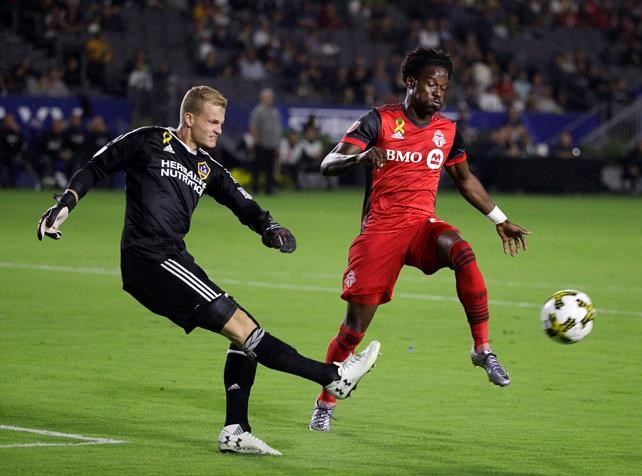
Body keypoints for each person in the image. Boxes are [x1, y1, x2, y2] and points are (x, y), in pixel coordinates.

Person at [37, 85, 380, 455]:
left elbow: (241, 201)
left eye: (221, 123)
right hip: (149, 257)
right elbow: (97, 165)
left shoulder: (206, 167)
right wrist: (66, 203)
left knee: (245, 336)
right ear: (189, 118)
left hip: (172, 258)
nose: (219, 129)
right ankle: (333, 377)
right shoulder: (150, 141)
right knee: (246, 329)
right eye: (213, 122)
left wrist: (269, 227)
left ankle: (236, 430)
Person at [308, 48, 530, 432]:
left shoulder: (448, 131)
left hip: (422, 226)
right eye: (431, 84)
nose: (438, 92)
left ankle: (482, 348)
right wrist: (360, 158)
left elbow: (464, 180)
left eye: (444, 87)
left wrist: (500, 219)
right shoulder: (379, 120)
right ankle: (325, 402)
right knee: (353, 330)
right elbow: (328, 163)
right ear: (411, 82)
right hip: (380, 232)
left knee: (462, 251)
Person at [249, 88, 282, 194]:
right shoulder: (258, 111)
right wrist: (257, 141)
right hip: (261, 143)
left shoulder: (275, 111)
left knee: (270, 168)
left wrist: (277, 144)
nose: (270, 99)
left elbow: (277, 128)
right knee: (258, 167)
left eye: (271, 97)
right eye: (268, 97)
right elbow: (254, 127)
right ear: (262, 98)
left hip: (272, 144)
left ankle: (269, 188)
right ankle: (255, 188)